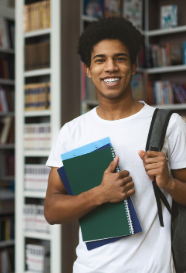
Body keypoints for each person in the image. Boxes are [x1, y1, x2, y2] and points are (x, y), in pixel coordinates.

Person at [44, 17, 186, 273]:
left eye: (120, 59)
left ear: (133, 66)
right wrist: (100, 194)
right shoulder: (72, 131)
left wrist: (169, 183)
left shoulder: (168, 124)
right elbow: (52, 211)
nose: (110, 67)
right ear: (88, 69)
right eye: (100, 60)